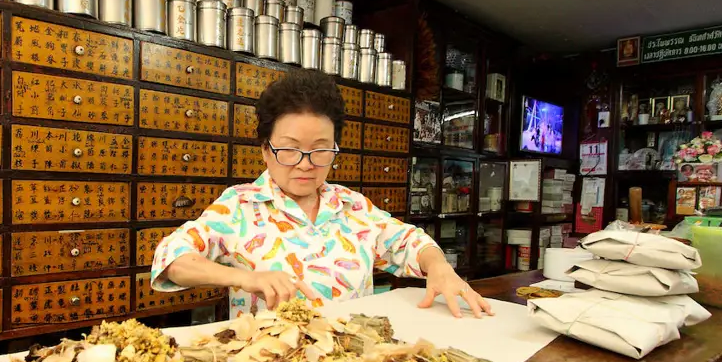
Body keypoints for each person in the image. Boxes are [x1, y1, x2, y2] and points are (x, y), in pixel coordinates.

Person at [151, 69, 493, 319]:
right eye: (289, 149)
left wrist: (439, 266)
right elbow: (172, 259)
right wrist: (247, 278)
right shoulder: (239, 206)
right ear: (266, 151)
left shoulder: (351, 206)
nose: (305, 164)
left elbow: (409, 242)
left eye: (320, 150)